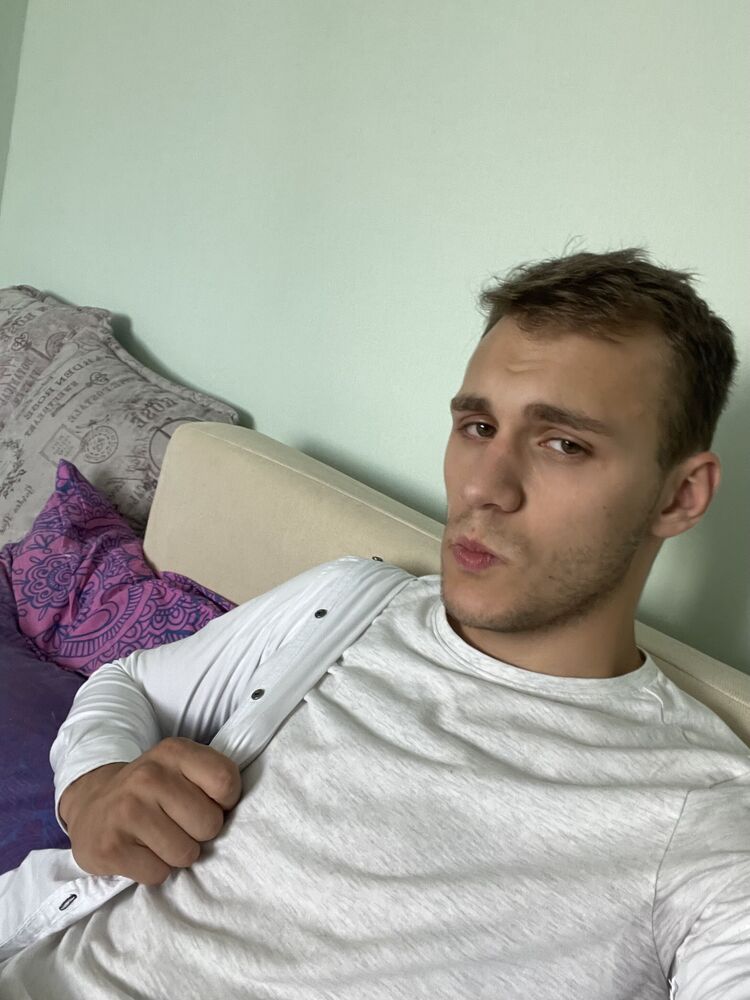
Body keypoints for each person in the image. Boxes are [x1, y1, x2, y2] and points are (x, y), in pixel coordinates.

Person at [0, 248, 746, 998]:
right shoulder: (354, 604)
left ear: (679, 496)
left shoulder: (707, 823)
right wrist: (93, 787)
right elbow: (128, 681)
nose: (483, 487)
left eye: (563, 444)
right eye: (478, 426)